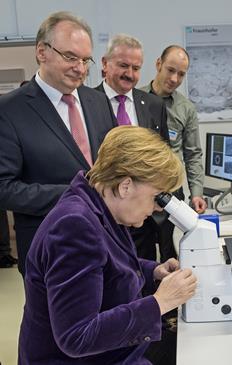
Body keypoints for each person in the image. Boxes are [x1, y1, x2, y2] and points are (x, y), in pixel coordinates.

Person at [18, 126, 197, 364]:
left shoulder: (98, 201)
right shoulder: (74, 226)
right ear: (125, 186)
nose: (157, 208)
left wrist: (152, 270)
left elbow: (103, 263)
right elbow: (77, 337)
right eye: (157, 197)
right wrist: (160, 302)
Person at [0, 12, 117, 277]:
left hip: (107, 241)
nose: (81, 68)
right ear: (42, 52)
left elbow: (113, 162)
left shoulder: (97, 102)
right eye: (70, 57)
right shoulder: (9, 111)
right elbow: (4, 188)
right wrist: (77, 195)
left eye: (86, 60)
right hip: (50, 248)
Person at [96, 34, 170, 261]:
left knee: (143, 274)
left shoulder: (153, 105)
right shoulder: (88, 102)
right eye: (123, 65)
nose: (130, 74)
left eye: (136, 68)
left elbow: (163, 157)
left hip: (144, 219)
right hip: (105, 218)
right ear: (105, 63)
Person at [141, 45, 207, 262]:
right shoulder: (136, 100)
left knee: (171, 254)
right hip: (139, 190)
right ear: (158, 64)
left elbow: (193, 154)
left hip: (171, 192)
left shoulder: (185, 108)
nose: (175, 78)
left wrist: (196, 192)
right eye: (171, 70)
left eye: (181, 74)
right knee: (140, 252)